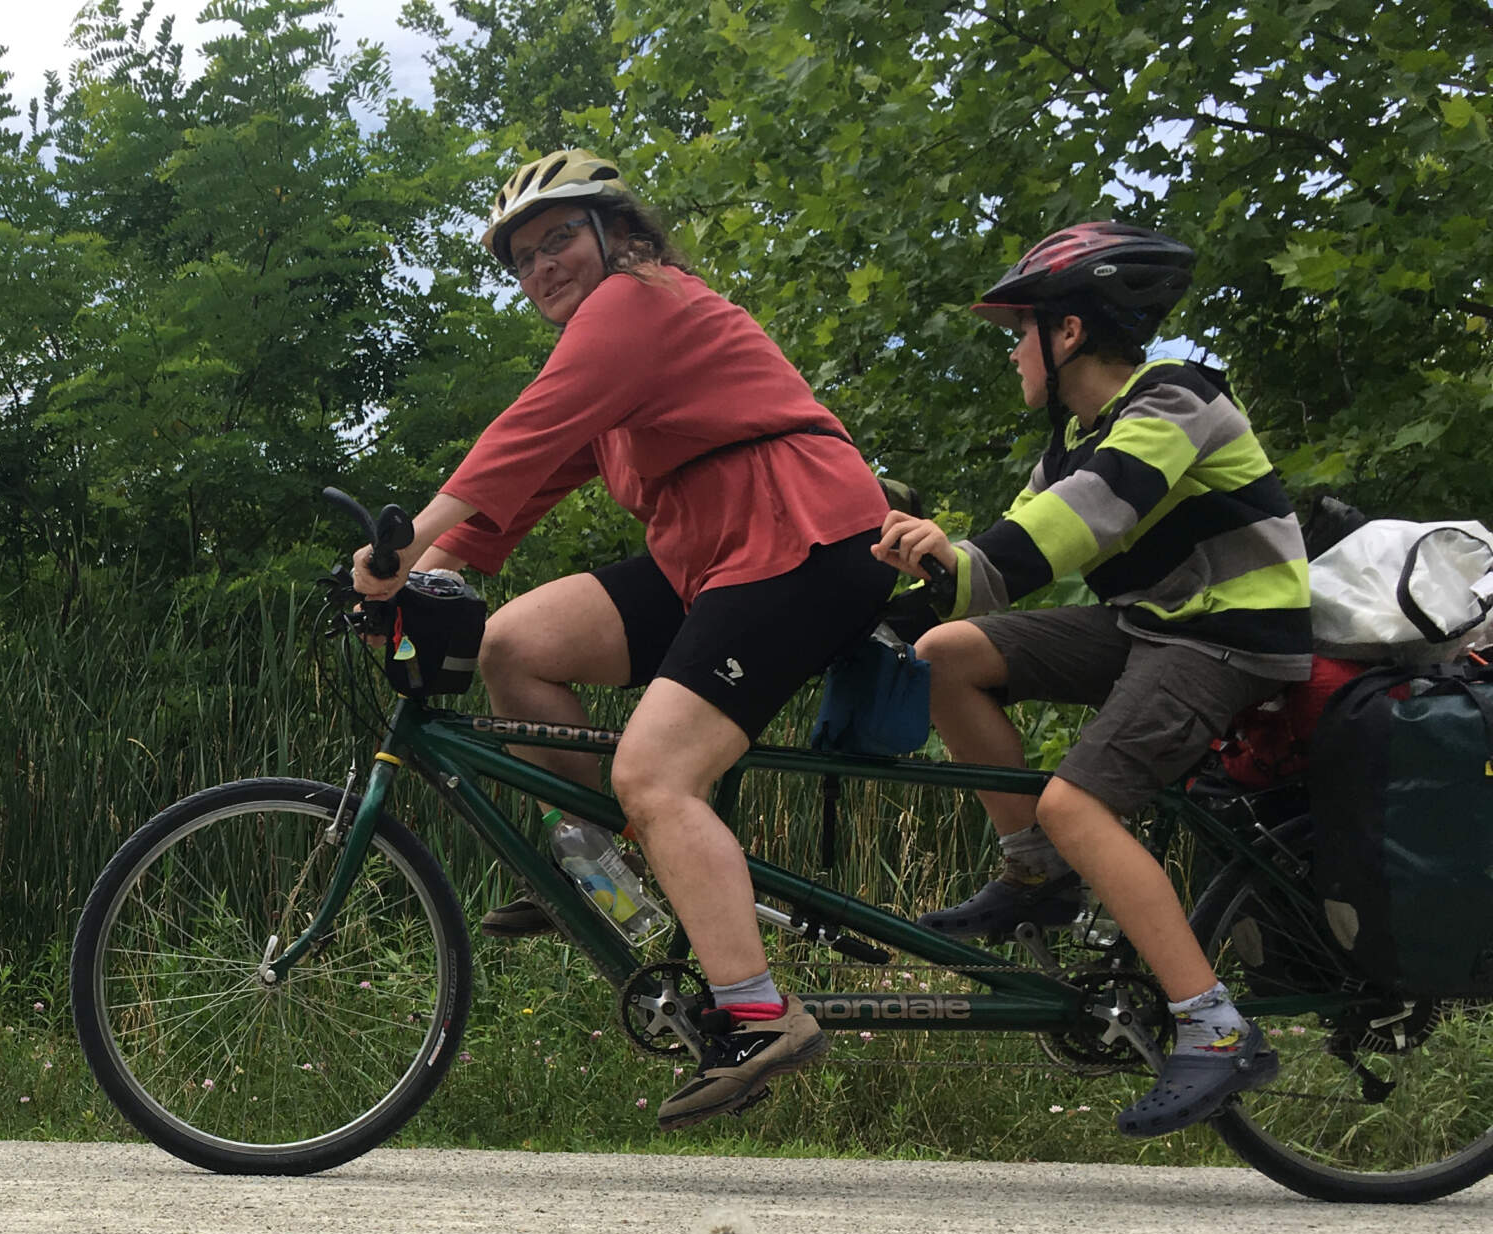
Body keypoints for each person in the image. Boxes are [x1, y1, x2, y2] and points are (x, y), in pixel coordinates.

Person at [351, 149, 896, 1129]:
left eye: (557, 237)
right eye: (521, 259)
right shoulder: (606, 351)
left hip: (800, 536)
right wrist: (433, 576)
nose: (541, 267)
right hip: (712, 551)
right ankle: (604, 868)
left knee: (656, 774)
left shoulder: (639, 300)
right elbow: (527, 482)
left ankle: (758, 1015)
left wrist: (402, 544)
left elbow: (522, 430)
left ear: (619, 233)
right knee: (515, 646)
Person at [873, 220, 1311, 1138]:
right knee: (946, 654)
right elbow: (987, 573)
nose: (1011, 357)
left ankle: (1214, 1026)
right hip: (1152, 624)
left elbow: (1077, 524)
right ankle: (1036, 875)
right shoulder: (1076, 439)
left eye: (1016, 333)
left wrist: (957, 554)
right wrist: (886, 586)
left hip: (1226, 637)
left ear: (1067, 331)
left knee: (1079, 804)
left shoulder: (1176, 401)